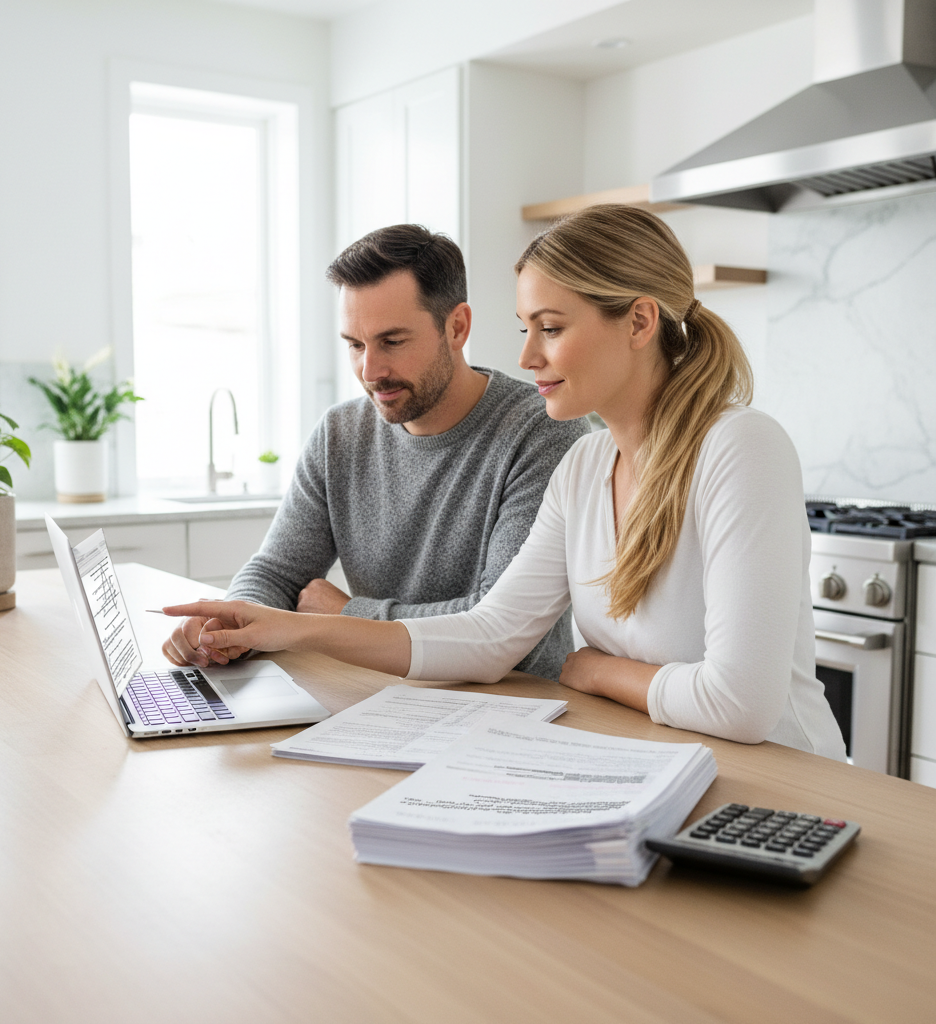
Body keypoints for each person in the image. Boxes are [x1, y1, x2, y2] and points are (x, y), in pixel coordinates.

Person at [162, 205, 846, 758]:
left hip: (782, 780)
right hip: (660, 759)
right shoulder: (586, 467)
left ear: (639, 321)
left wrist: (597, 669)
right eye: (526, 327)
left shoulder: (740, 446)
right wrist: (283, 628)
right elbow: (490, 634)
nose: (526, 355)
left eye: (550, 327)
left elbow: (742, 704)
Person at [163, 223, 590, 681]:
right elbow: (277, 572)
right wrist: (229, 623)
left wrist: (348, 613)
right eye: (354, 345)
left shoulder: (543, 431)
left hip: (511, 706)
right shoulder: (339, 434)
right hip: (374, 696)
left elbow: (495, 625)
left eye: (392, 341)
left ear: (457, 327)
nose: (370, 370)